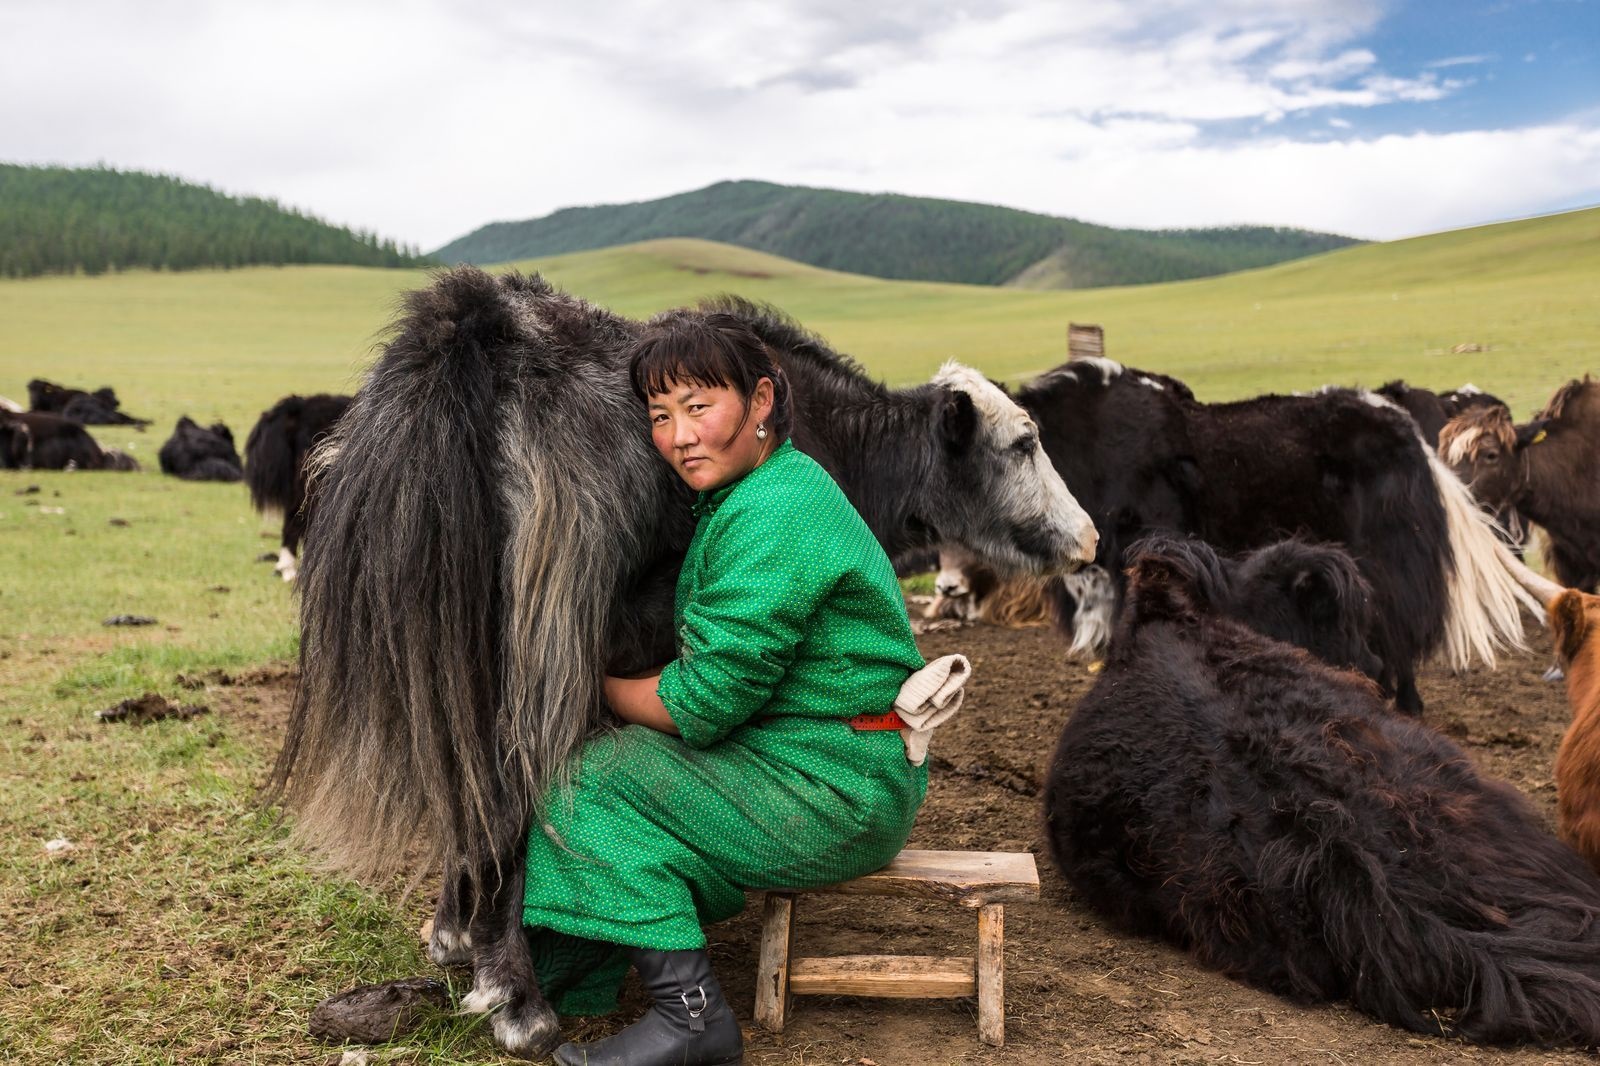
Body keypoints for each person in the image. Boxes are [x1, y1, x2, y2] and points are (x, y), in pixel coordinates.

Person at [521, 309, 929, 1066]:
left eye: (699, 407)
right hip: (828, 761)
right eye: (660, 415)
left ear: (763, 402)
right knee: (620, 767)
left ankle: (692, 1018)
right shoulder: (770, 490)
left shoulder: (774, 514)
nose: (679, 437)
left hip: (835, 787)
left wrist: (595, 688)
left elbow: (701, 704)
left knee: (591, 784)